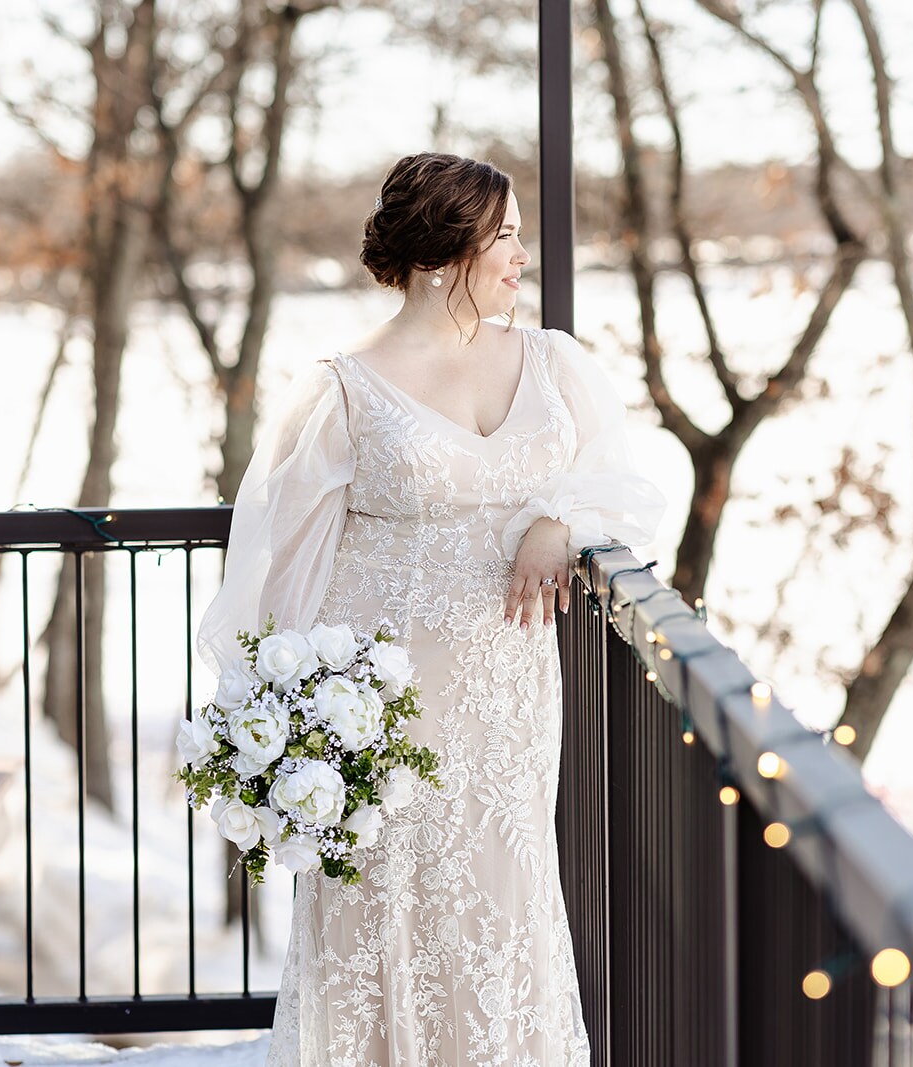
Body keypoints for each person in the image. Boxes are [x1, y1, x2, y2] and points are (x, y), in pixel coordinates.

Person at [196, 152, 666, 1066]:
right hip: (388, 704)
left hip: (509, 697)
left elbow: (625, 487)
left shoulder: (553, 363)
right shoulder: (342, 390)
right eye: (507, 236)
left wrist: (559, 521)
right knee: (387, 909)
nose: (521, 255)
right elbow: (280, 568)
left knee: (504, 895)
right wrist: (300, 729)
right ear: (448, 249)